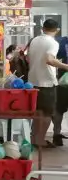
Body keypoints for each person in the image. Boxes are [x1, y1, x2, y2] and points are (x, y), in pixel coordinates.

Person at [28, 19, 68, 148]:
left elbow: (29, 58)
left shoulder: (35, 40)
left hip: (32, 81)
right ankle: (40, 140)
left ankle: (34, 138)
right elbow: (50, 60)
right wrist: (65, 66)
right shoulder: (52, 42)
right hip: (46, 82)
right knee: (46, 113)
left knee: (37, 112)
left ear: (42, 28)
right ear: (57, 30)